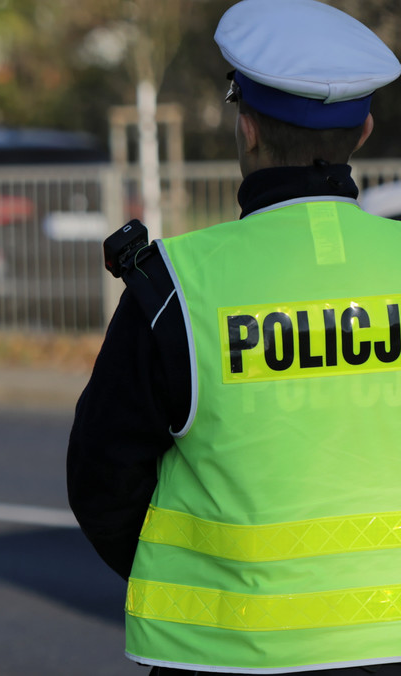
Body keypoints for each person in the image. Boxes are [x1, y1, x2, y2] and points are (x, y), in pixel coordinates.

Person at [67, 1, 401, 673]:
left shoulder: (176, 285)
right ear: (363, 131)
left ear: (246, 128)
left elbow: (103, 479)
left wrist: (200, 574)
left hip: (224, 656)